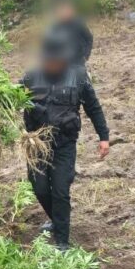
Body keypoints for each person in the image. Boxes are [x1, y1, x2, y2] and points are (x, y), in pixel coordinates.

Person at [22, 32, 110, 251]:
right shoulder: (31, 76)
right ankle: (56, 220)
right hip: (36, 143)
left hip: (64, 143)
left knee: (61, 191)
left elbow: (93, 107)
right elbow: (10, 95)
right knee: (40, 188)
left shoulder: (78, 76)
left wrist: (104, 137)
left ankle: (62, 241)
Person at [45, 0, 94, 66]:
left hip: (78, 61)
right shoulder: (56, 25)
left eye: (67, 10)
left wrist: (86, 55)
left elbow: (89, 38)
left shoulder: (79, 23)